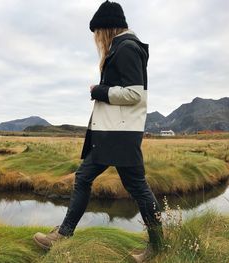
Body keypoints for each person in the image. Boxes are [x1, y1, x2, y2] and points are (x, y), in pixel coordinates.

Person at [33, 1, 164, 261]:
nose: (97, 40)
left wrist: (99, 91)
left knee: (136, 186)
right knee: (86, 177)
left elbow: (135, 94)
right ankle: (64, 233)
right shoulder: (123, 47)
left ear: (107, 29)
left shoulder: (126, 48)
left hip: (119, 135)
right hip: (113, 133)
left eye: (97, 34)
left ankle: (158, 247)